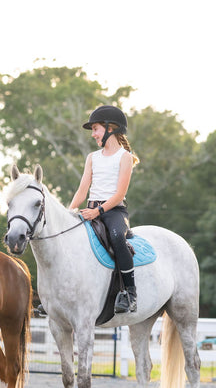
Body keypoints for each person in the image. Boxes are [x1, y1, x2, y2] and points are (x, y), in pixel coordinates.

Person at [68, 105, 139, 313]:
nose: (93, 134)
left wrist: (98, 212)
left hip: (114, 211)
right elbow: (82, 190)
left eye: (96, 129)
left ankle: (130, 293)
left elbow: (119, 194)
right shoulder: (92, 157)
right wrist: (70, 211)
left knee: (117, 236)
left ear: (111, 128)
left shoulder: (125, 157)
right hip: (90, 209)